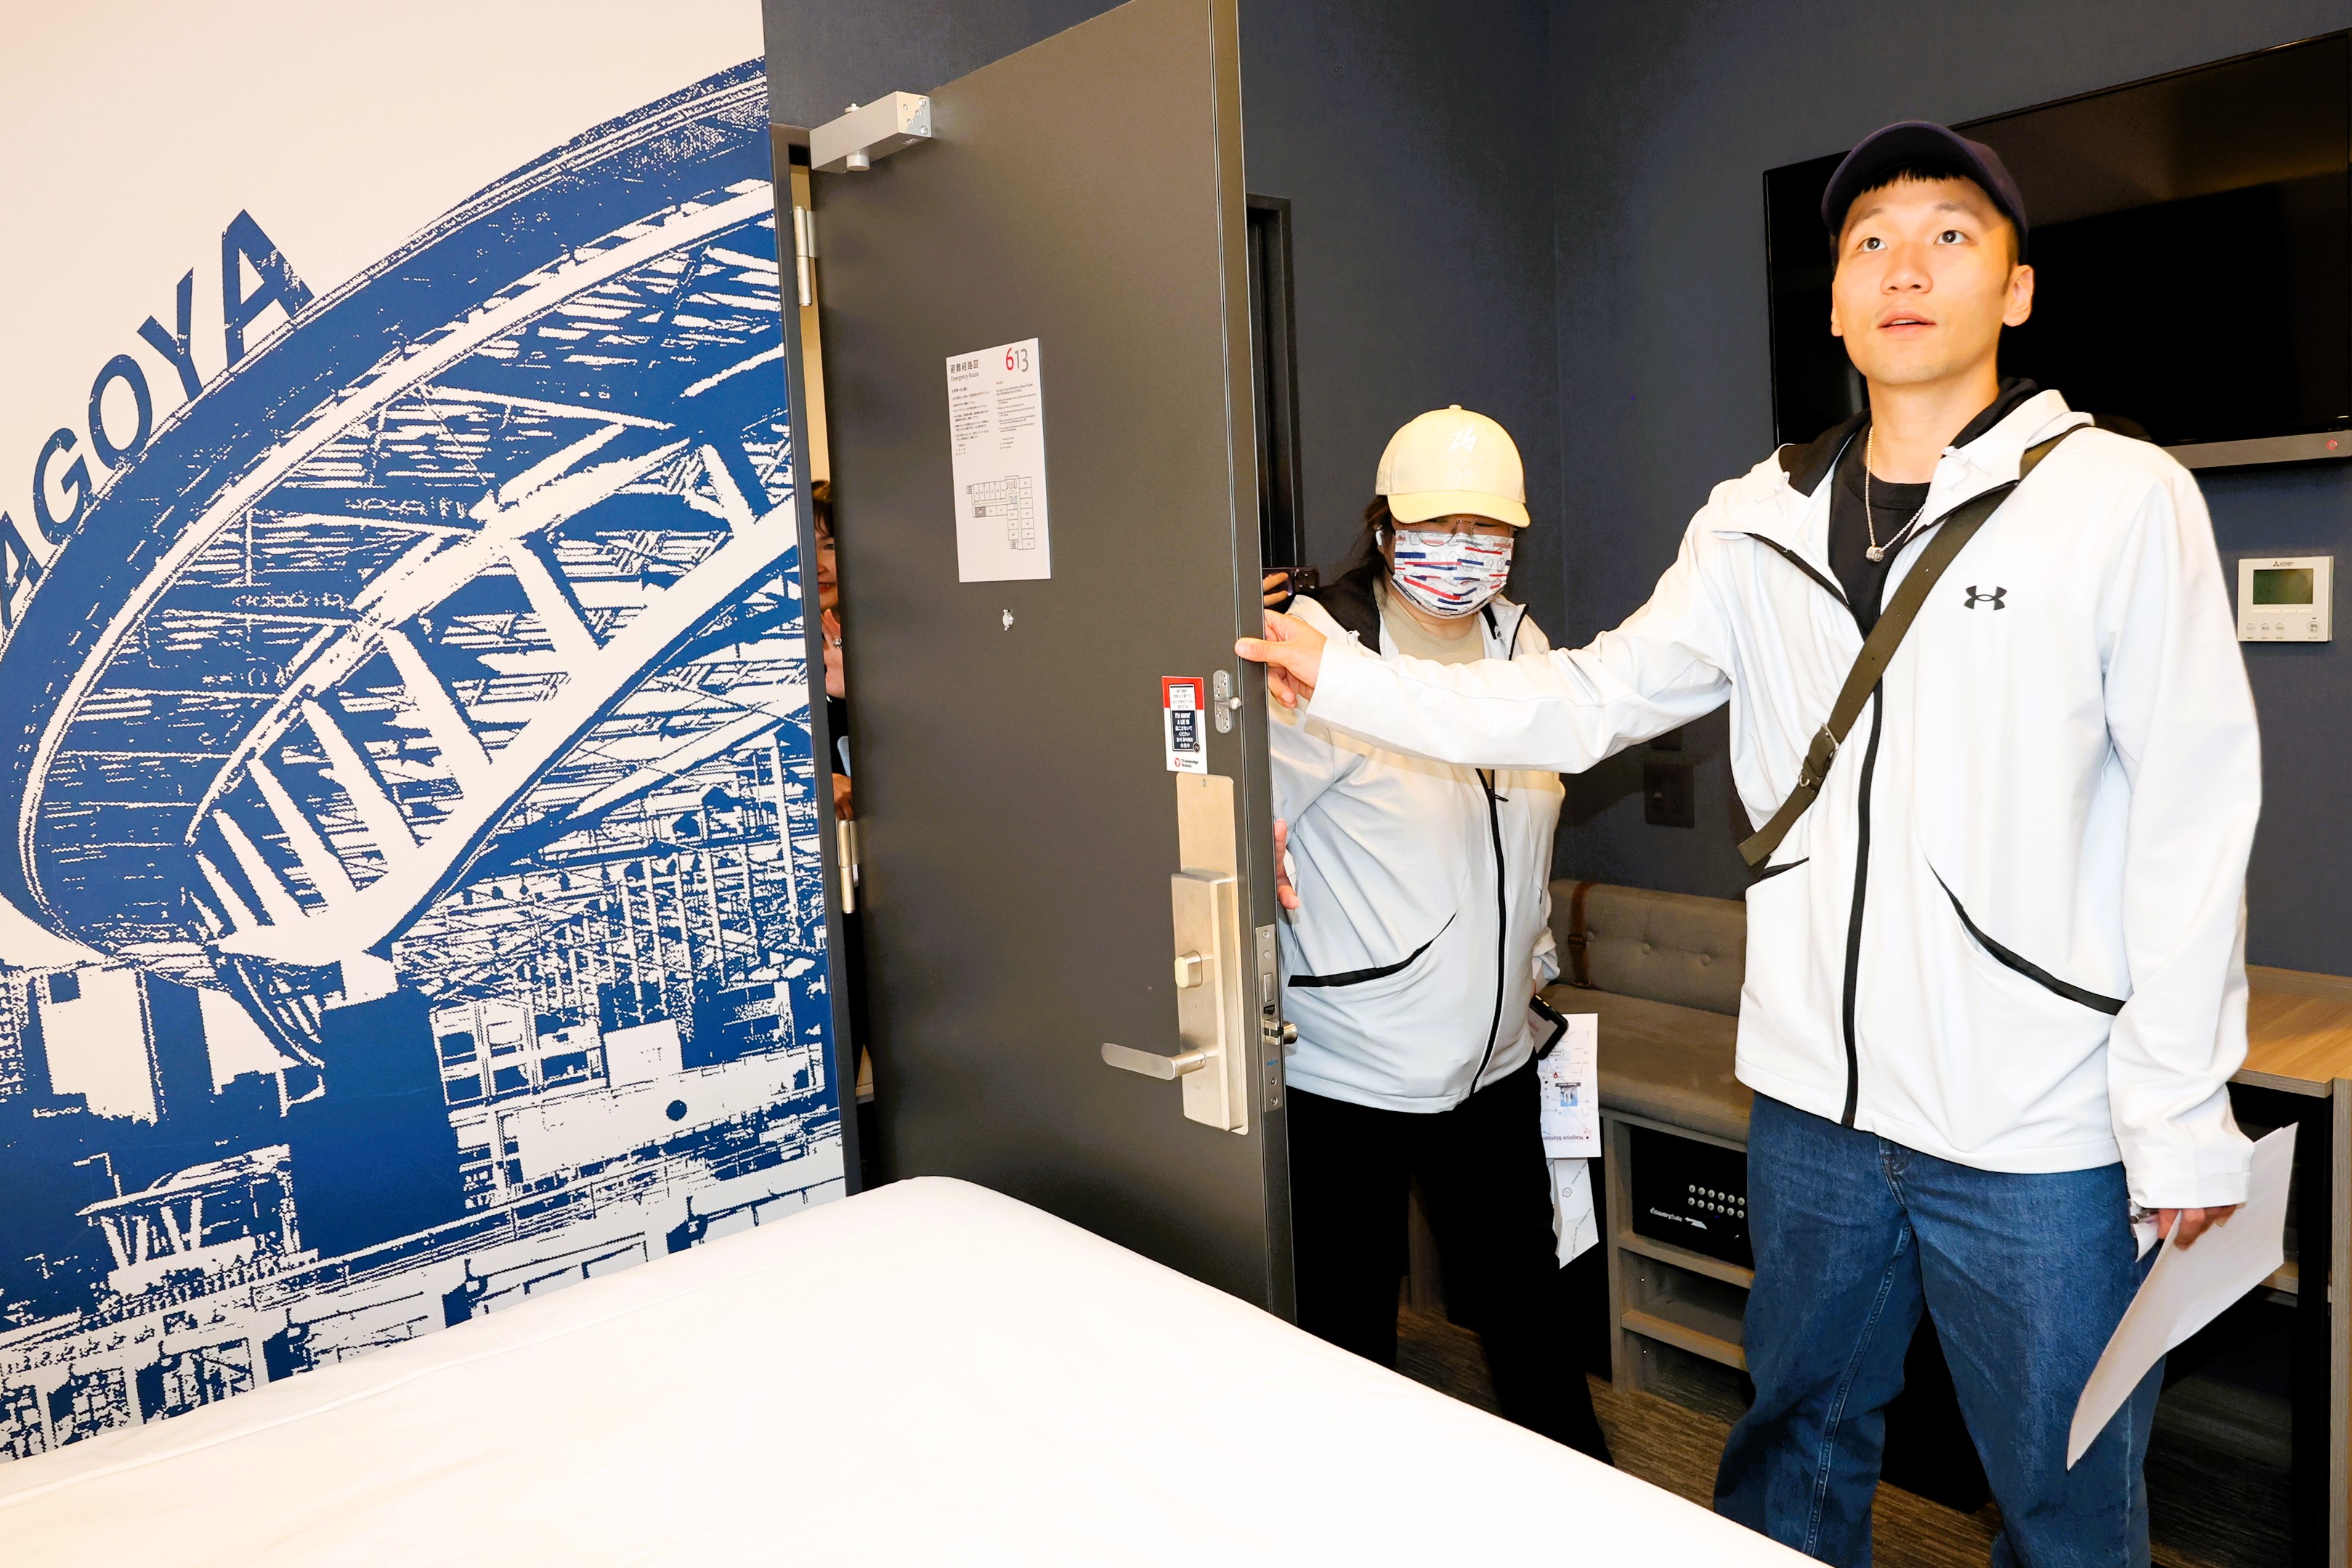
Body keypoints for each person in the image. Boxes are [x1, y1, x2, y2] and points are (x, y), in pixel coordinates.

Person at [1238, 123, 2259, 1566]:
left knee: (2064, 1495)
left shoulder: (2115, 499)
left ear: (2016, 290)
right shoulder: (1753, 518)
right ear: (1832, 302)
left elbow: (2189, 820)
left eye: (1948, 237)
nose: (1903, 267)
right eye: (1868, 244)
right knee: (1790, 1448)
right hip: (1812, 1114)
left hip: (2032, 1125)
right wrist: (1342, 681)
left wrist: (2177, 1108)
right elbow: (1588, 698)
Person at [1272, 405, 1610, 1463]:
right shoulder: (1319, 652)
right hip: (1353, 1067)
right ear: (1384, 526)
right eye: (1435, 524)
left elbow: (1520, 829)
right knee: (1345, 1341)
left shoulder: (1523, 648)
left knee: (1534, 1326)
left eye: (1486, 528)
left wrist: (1533, 965)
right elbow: (1233, 823)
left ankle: (1583, 1508)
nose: (1463, 549)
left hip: (1495, 1061)